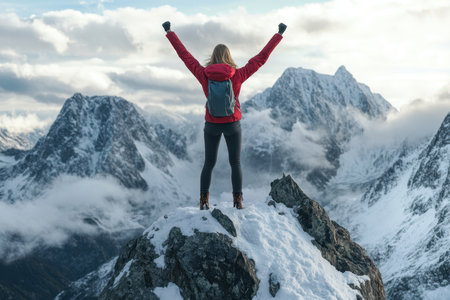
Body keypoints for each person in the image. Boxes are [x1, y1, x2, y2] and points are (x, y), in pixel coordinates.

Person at [162, 21, 286, 210]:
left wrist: (169, 32)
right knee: (235, 163)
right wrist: (278, 34)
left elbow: (184, 55)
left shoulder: (203, 74)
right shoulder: (237, 75)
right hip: (232, 124)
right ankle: (238, 200)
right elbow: (261, 58)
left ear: (212, 57)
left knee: (209, 163)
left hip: (211, 124)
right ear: (228, 57)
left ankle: (204, 200)